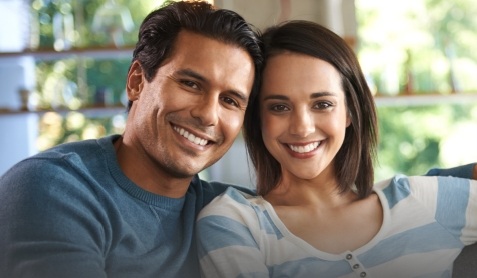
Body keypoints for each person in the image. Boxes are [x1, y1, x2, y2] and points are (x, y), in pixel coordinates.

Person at [0, 1, 262, 277]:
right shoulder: (53, 189)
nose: (208, 115)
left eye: (230, 100)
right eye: (190, 84)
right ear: (136, 81)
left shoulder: (236, 213)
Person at [196, 20, 477, 277]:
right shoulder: (235, 223)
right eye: (279, 107)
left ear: (350, 112)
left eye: (322, 104)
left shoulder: (424, 201)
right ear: (258, 119)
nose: (302, 128)